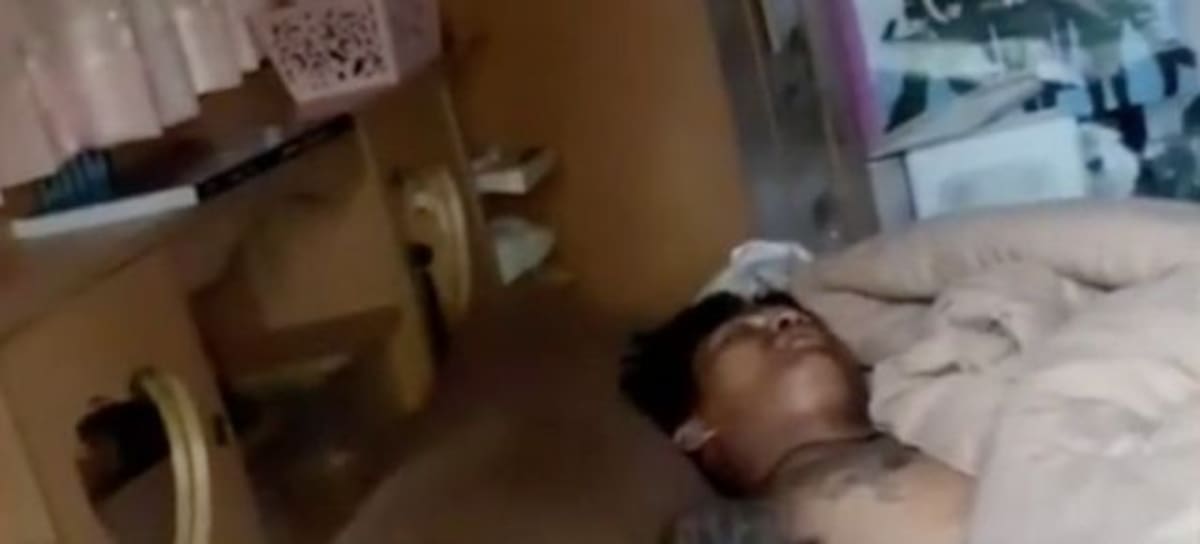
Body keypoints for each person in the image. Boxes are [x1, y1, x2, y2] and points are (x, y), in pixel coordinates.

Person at [621, 292, 971, 544]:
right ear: (694, 431)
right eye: (737, 335)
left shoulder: (945, 414)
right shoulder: (728, 530)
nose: (788, 319)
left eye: (808, 320)